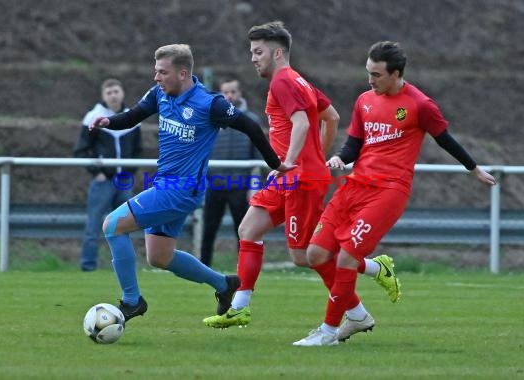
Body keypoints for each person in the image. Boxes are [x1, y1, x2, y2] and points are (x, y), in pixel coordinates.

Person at [293, 41, 497, 346]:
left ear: (396, 74)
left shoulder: (420, 105)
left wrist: (474, 169)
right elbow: (354, 145)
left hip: (388, 192)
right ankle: (365, 299)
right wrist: (339, 158)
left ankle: (328, 332)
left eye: (376, 74)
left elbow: (445, 139)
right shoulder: (364, 100)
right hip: (355, 186)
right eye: (368, 73)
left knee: (346, 258)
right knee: (315, 254)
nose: (370, 80)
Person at [204, 21, 398, 329]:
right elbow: (331, 117)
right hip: (293, 175)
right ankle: (240, 306)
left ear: (277, 52)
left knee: (307, 256)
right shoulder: (298, 81)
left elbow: (303, 123)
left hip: (298, 178)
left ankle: (368, 282)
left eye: (258, 52)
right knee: (249, 229)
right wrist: (313, 158)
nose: (253, 58)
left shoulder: (284, 82)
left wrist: (290, 162)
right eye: (252, 52)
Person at [88, 44, 294, 322]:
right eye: (156, 71)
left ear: (183, 73)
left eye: (162, 72)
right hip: (166, 185)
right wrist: (108, 122)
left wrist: (276, 164)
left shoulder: (211, 104)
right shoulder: (159, 94)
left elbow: (251, 128)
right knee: (159, 256)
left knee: (112, 225)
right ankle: (225, 285)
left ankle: (131, 301)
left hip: (181, 189)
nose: (156, 77)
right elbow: (133, 116)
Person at [73, 78, 142, 271]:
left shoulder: (132, 118)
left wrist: (130, 173)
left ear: (123, 93)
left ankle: (123, 268)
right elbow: (81, 150)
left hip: (123, 182)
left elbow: (138, 150)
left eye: (116, 91)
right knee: (94, 225)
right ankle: (88, 267)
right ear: (103, 96)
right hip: (103, 181)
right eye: (109, 92)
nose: (113, 95)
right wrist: (97, 172)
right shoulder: (93, 117)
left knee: (124, 227)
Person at [200, 78, 262, 267]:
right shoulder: (210, 119)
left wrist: (254, 186)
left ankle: (242, 271)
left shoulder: (252, 121)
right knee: (208, 230)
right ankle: (203, 269)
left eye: (233, 91)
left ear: (239, 93)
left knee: (242, 232)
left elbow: (257, 158)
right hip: (214, 184)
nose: (229, 96)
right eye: (225, 92)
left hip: (239, 186)